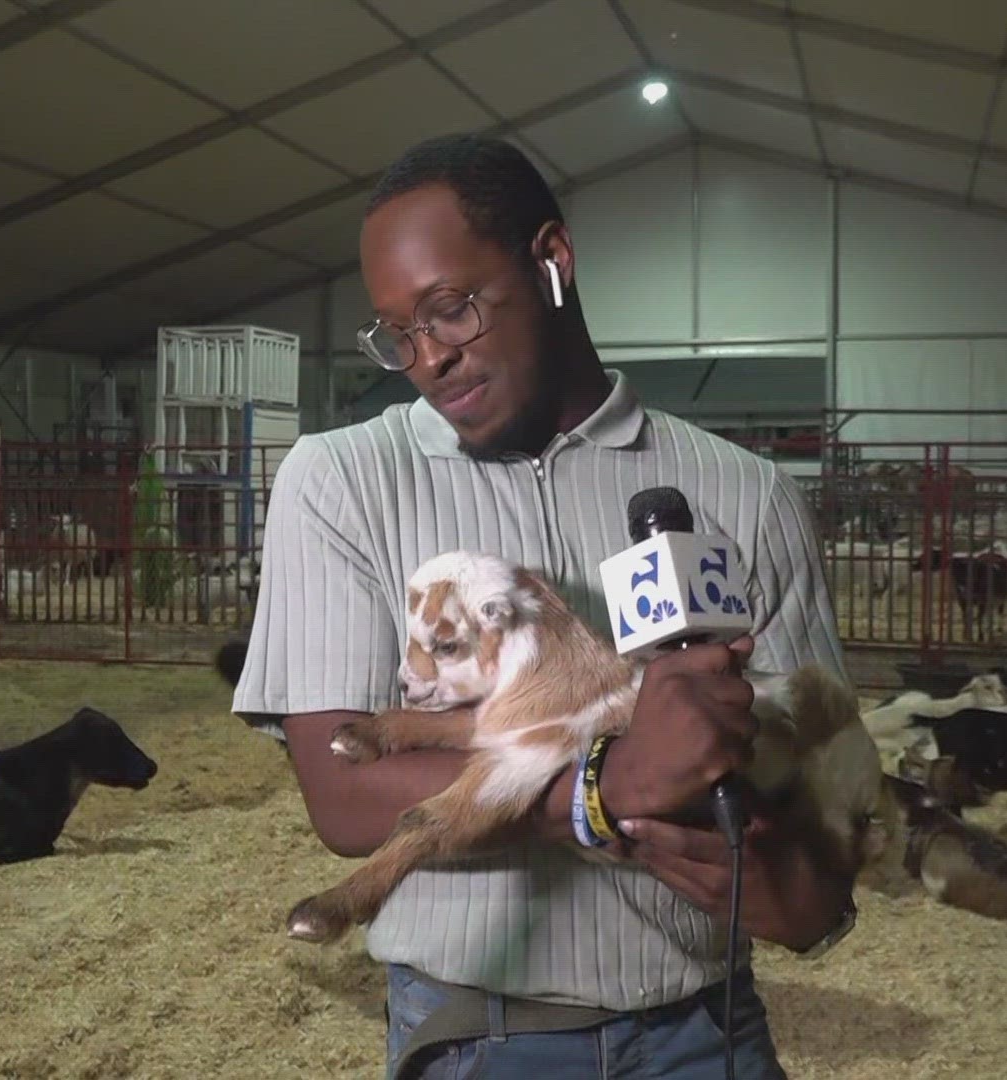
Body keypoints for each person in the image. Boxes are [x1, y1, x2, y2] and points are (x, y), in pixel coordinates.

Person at [229, 133, 853, 1080]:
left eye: (450, 310)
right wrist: (608, 789)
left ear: (551, 260)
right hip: (482, 1038)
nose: (429, 357)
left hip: (707, 1028)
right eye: (400, 334)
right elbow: (343, 791)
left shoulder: (747, 495)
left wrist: (798, 889)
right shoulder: (347, 480)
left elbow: (822, 792)